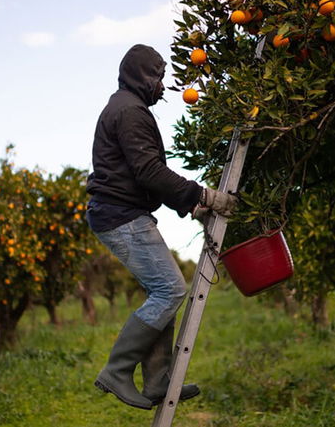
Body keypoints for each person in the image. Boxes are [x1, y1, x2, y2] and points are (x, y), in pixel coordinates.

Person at [85, 44, 237, 410]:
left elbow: (144, 176)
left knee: (162, 289)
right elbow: (150, 172)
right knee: (169, 289)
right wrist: (203, 195)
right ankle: (117, 370)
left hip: (122, 212)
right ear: (143, 76)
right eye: (159, 78)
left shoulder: (125, 107)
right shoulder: (130, 112)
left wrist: (193, 205)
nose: (163, 87)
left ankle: (156, 381)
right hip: (120, 216)